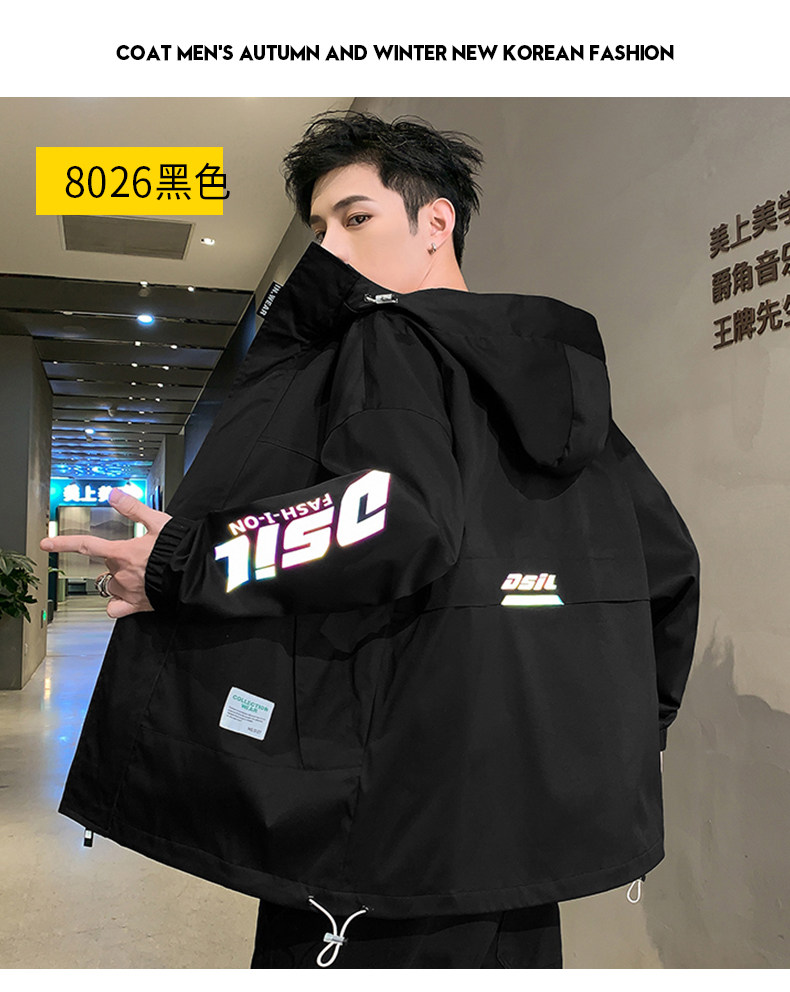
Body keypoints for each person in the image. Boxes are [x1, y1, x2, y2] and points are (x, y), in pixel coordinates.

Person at [42, 112, 700, 969]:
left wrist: (183, 563)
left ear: (437, 222)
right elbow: (668, 569)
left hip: (385, 832)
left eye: (356, 218)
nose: (330, 248)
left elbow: (388, 517)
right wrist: (611, 740)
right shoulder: (567, 397)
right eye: (319, 227)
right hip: (521, 838)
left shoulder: (390, 340)